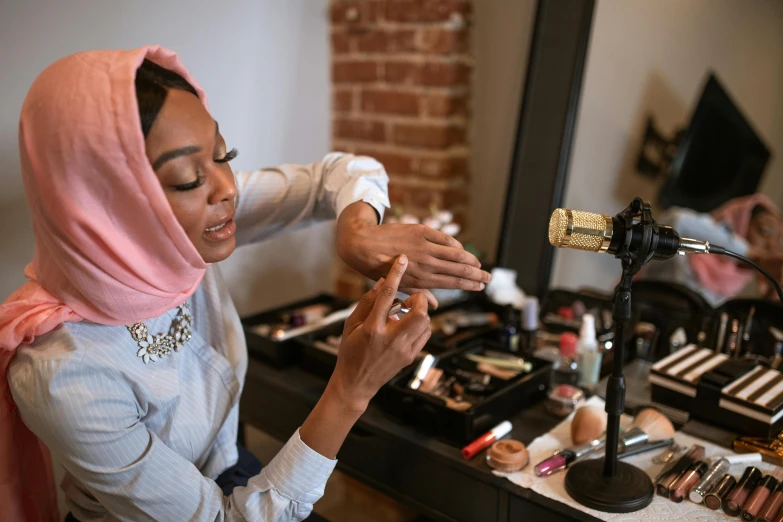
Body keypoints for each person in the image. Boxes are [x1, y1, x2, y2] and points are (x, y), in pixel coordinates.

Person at [0, 46, 492, 522]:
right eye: (189, 179)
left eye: (224, 154)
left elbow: (339, 175)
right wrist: (350, 389)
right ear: (105, 205)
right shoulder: (65, 374)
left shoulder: (189, 229)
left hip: (234, 472)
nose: (228, 188)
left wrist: (357, 232)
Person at [639, 194, 783, 306]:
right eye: (764, 231)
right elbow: (676, 221)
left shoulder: (729, 292)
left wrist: (771, 296)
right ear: (740, 220)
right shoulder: (685, 251)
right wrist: (749, 254)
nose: (769, 247)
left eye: (777, 243)